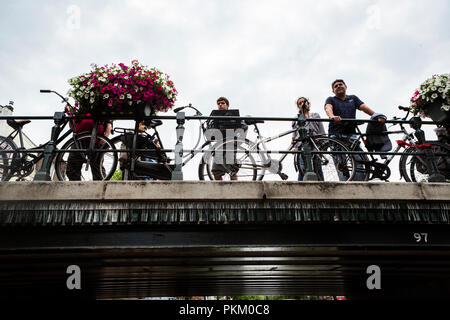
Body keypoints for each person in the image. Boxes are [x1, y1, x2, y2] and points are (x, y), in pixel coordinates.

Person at [324, 79, 385, 180]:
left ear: (345, 87)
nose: (338, 86)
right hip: (336, 134)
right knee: (340, 163)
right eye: (335, 86)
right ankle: (345, 185)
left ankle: (360, 184)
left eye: (340, 84)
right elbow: (328, 108)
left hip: (351, 134)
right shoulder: (331, 99)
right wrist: (332, 116)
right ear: (333, 91)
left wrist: (376, 116)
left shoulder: (353, 98)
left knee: (359, 160)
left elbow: (364, 107)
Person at [208, 97, 247, 181]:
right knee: (215, 171)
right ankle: (221, 191)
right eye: (218, 104)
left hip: (230, 145)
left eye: (222, 103)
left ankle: (235, 191)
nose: (220, 105)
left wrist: (236, 140)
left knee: (232, 170)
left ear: (227, 105)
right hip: (219, 146)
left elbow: (244, 126)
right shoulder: (215, 118)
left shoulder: (234, 116)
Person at [66, 116, 113, 180]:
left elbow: (109, 123)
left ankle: (99, 188)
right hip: (79, 139)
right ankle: (76, 187)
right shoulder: (80, 107)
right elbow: (72, 121)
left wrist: (106, 136)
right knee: (72, 167)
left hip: (96, 140)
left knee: (98, 169)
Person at [292, 97, 325, 180]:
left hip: (315, 143)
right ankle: (300, 187)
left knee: (317, 167)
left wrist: (324, 143)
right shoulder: (296, 118)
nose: (302, 104)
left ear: (308, 103)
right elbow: (294, 134)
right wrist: (294, 146)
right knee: (302, 167)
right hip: (301, 145)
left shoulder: (315, 115)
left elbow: (321, 130)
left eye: (304, 102)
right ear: (298, 106)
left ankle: (322, 186)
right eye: (300, 103)